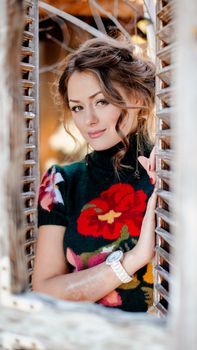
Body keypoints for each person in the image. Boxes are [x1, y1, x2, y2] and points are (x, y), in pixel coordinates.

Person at [33, 36, 156, 312]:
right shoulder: (61, 183)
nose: (88, 120)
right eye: (77, 107)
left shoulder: (169, 173)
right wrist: (133, 259)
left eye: (101, 102)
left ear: (137, 97)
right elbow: (45, 292)